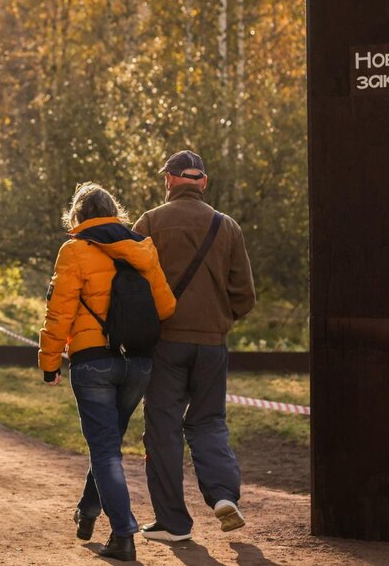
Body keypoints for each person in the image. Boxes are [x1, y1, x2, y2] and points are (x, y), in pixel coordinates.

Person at [40, 182, 176, 563]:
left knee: (104, 449)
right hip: (138, 363)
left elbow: (59, 313)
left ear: (78, 216)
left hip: (93, 362)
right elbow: (165, 307)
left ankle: (123, 533)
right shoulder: (141, 248)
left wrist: (49, 363)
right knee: (108, 445)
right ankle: (88, 510)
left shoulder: (74, 250)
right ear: (115, 211)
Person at [133, 150, 256, 542]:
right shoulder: (228, 226)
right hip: (212, 346)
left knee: (163, 430)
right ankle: (223, 496)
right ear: (202, 182)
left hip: (166, 344)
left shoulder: (150, 221)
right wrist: (217, 323)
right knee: (208, 421)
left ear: (169, 180)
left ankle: (173, 523)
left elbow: (132, 287)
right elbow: (245, 295)